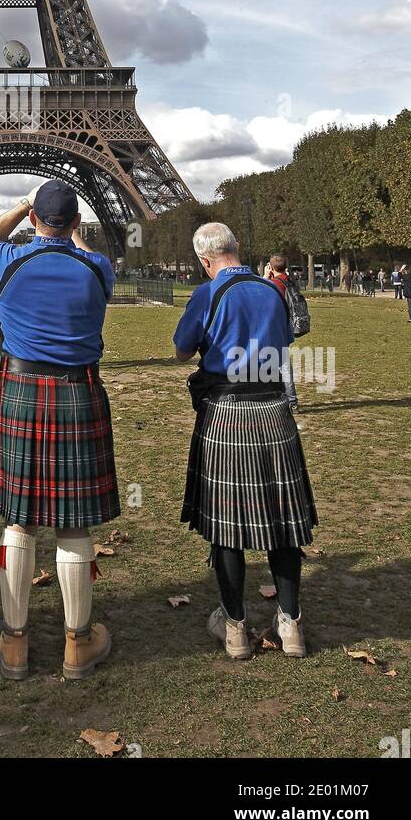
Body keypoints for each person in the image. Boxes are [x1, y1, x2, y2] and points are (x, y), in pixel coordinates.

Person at [0, 181, 119, 682]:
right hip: (78, 393)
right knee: (74, 524)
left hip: (20, 391)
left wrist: (22, 207)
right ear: (77, 222)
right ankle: (77, 642)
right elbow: (87, 253)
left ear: (34, 219)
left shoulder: (6, 261)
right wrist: (73, 233)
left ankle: (14, 641)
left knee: (18, 522)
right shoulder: (96, 267)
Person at [175, 223, 317, 661]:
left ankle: (235, 628)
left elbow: (182, 349)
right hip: (274, 411)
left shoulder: (208, 292)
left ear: (205, 260)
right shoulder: (272, 291)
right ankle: (290, 625)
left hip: (225, 414)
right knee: (284, 521)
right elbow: (283, 341)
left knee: (225, 522)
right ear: (236, 249)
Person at [263, 254, 299, 410]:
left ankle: (271, 397)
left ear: (270, 267)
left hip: (271, 328)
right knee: (284, 365)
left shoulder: (272, 284)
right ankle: (292, 400)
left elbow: (260, 298)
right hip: (285, 327)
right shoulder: (289, 281)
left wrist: (265, 277)